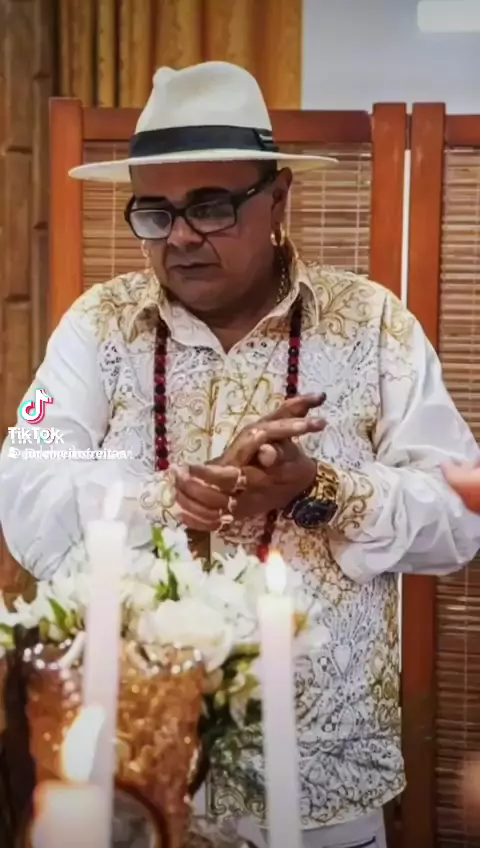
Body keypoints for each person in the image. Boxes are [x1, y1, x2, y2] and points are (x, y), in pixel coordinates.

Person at [1, 61, 480, 848]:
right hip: (139, 777)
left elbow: (458, 516)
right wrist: (170, 498)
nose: (180, 236)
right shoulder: (96, 326)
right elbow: (26, 477)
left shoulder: (374, 325)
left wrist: (318, 489)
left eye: (210, 206)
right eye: (154, 212)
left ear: (278, 198)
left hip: (323, 781)